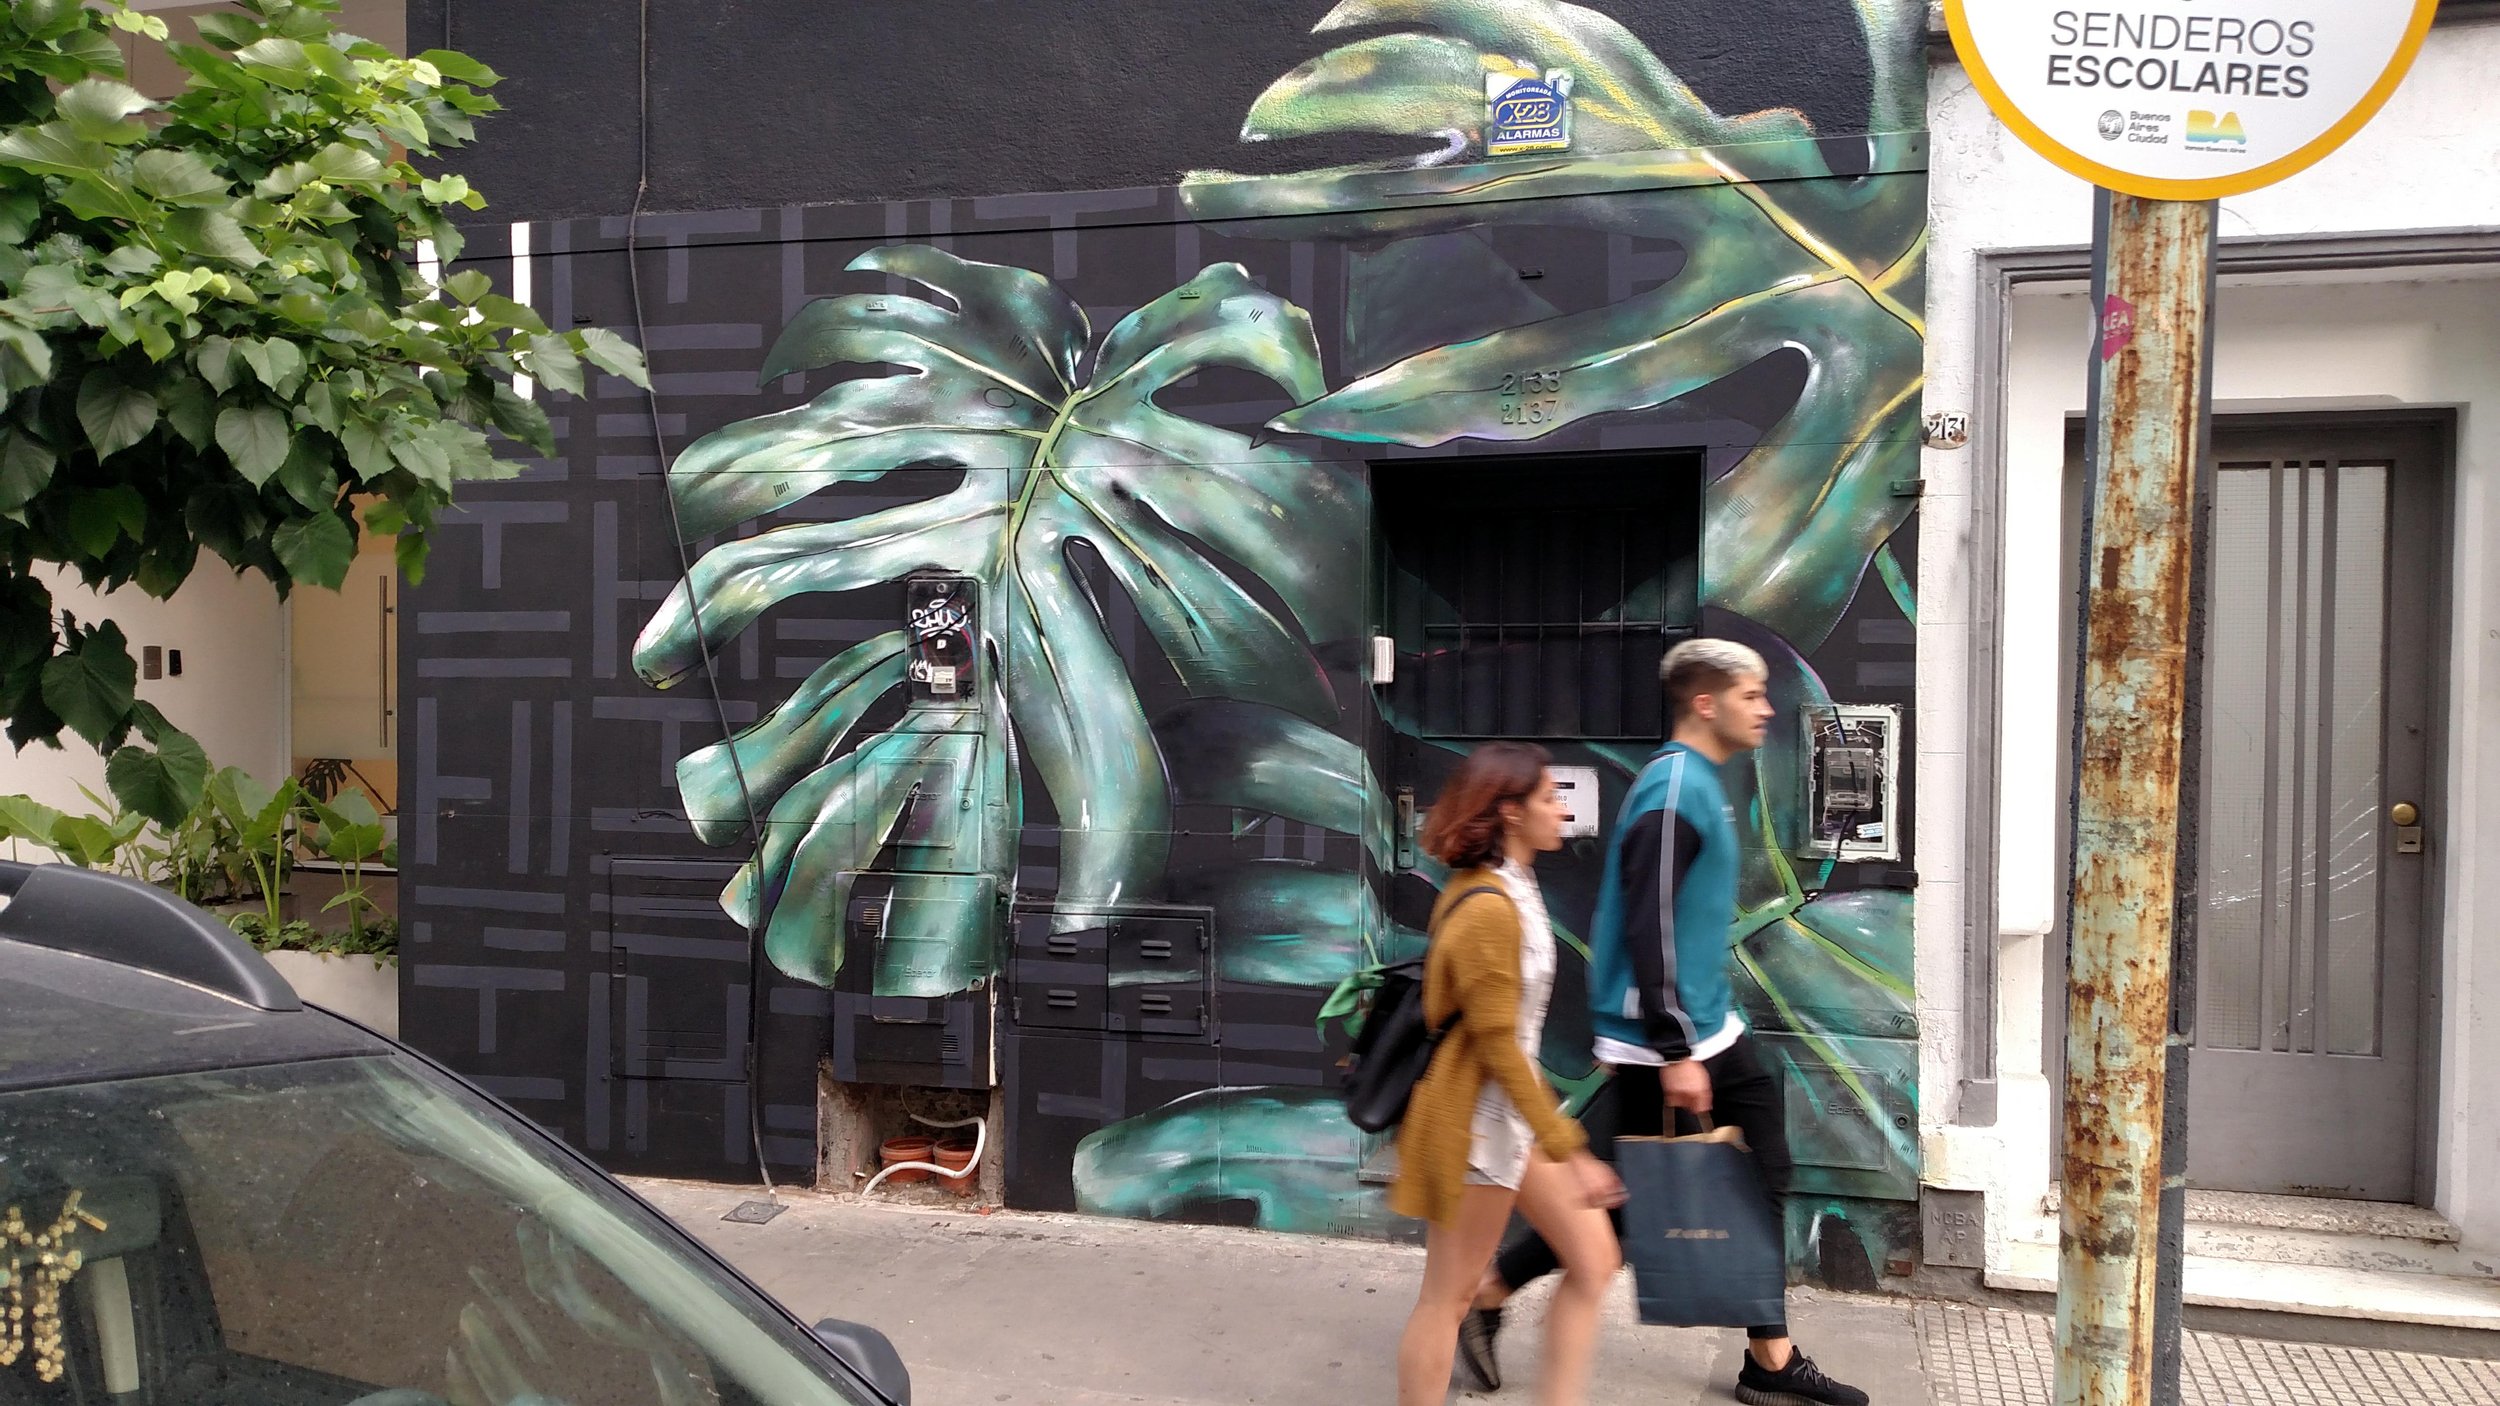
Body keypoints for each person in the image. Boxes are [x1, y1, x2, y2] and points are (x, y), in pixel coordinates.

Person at [1456, 640, 1869, 1406]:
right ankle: (1767, 1362)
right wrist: (1676, 1047)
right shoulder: (1673, 789)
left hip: (1699, 1029)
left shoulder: (1695, 781)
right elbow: (1651, 922)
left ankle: (1495, 1290)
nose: (1766, 708)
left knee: (1676, 1187)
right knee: (1650, 1195)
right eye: (1750, 695)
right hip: (1668, 1039)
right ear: (1705, 703)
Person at [1390, 742, 1626, 1406]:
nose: (1562, 810)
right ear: (1511, 812)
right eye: (1549, 798)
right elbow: (1499, 1048)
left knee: (1595, 1259)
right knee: (1447, 1296)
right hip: (1479, 1124)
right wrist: (1570, 1150)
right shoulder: (1488, 904)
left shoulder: (1514, 884)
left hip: (1513, 1116)